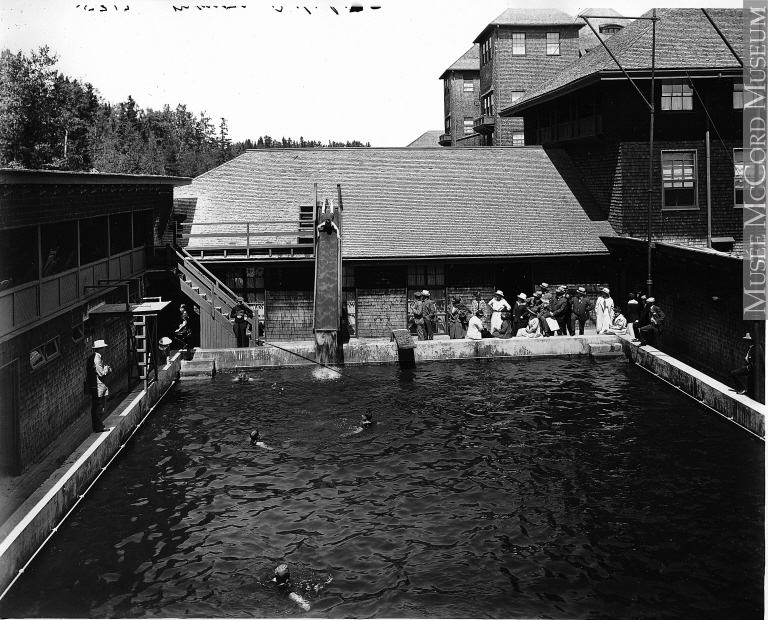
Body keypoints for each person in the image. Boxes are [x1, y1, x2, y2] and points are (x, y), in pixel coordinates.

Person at [85, 339, 111, 432]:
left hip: (95, 387)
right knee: (99, 408)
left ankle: (98, 425)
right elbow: (101, 373)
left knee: (97, 407)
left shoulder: (92, 358)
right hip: (98, 388)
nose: (104, 349)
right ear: (100, 349)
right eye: (103, 348)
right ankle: (98, 427)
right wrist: (107, 369)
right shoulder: (97, 359)